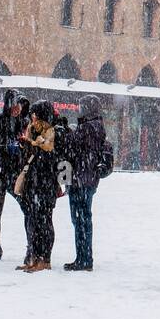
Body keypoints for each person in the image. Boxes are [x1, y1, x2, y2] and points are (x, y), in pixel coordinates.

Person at [57, 95, 109, 271]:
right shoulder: (98, 126)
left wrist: (65, 132)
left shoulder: (86, 127)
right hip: (89, 178)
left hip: (81, 178)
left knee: (79, 220)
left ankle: (84, 259)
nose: (80, 109)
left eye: (82, 107)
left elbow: (71, 147)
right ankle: (85, 257)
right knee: (84, 219)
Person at [0, 91, 29, 261]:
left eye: (20, 105)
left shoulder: (24, 123)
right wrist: (1, 146)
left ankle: (30, 245)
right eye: (16, 105)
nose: (18, 108)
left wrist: (19, 146)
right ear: (9, 105)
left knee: (27, 208)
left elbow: (27, 147)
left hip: (15, 172)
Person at [17, 101, 60, 272]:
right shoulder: (33, 130)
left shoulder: (52, 132)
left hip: (45, 184)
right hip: (33, 184)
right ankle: (34, 258)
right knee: (33, 222)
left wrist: (34, 144)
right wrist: (26, 145)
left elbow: (50, 159)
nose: (32, 117)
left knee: (45, 222)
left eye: (35, 114)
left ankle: (45, 259)